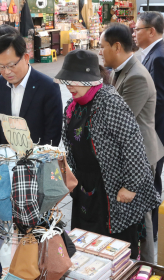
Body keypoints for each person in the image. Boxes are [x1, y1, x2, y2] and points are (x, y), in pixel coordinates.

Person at [57, 49, 161, 259]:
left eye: (74, 80)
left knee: (114, 250)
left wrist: (130, 187)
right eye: (66, 80)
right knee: (85, 245)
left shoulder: (110, 103)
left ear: (90, 81)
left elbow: (134, 147)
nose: (69, 86)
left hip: (114, 192)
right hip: (85, 189)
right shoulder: (72, 106)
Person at [99, 23, 164, 263]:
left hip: (142, 155)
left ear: (116, 47)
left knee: (143, 213)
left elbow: (118, 121)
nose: (99, 52)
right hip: (130, 152)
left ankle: (148, 264)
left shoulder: (135, 76)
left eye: (102, 47)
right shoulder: (119, 69)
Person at [0, 34, 62, 147]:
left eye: (11, 65)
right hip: (5, 157)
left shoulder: (48, 86)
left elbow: (53, 133)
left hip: (36, 159)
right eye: (1, 67)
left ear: (26, 58)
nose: (7, 72)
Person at [133, 11, 164, 243]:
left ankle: (151, 233)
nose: (134, 33)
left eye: (137, 29)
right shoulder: (153, 53)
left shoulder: (158, 56)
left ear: (151, 31)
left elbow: (159, 100)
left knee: (152, 180)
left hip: (157, 132)